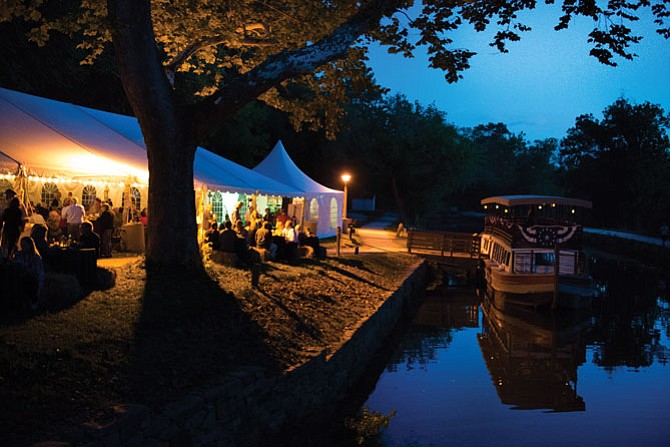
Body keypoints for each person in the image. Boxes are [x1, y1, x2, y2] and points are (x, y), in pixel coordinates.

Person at [13, 236, 45, 310]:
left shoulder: (36, 258)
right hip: (21, 278)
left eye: (25, 245)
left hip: (31, 279)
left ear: (30, 246)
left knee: (30, 280)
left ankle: (32, 302)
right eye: (22, 245)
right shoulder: (18, 256)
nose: (23, 247)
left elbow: (40, 272)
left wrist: (40, 285)